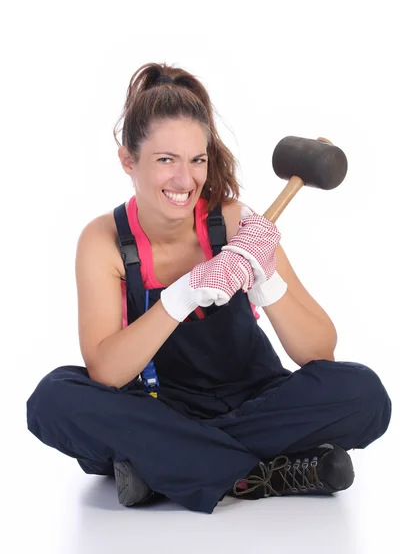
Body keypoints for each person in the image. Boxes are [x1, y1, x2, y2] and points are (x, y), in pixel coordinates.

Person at [26, 63, 392, 514]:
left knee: (363, 394)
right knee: (53, 400)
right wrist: (183, 295)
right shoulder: (104, 242)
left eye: (197, 160)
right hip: (158, 406)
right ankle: (267, 473)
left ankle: (164, 468)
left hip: (255, 398)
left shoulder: (237, 224)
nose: (186, 181)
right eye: (166, 161)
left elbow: (320, 351)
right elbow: (106, 372)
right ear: (128, 160)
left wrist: (266, 281)